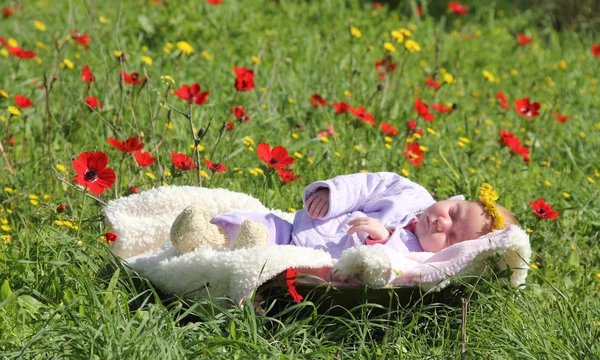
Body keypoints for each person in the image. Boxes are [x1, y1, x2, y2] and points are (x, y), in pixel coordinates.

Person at [169, 172, 518, 258]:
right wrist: (330, 195)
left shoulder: (417, 256)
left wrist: (385, 239)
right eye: (454, 212)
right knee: (260, 224)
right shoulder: (412, 195)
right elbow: (368, 185)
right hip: (300, 228)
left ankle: (225, 254)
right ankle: (208, 234)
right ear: (453, 199)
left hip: (312, 265)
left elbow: (389, 271)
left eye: (453, 236)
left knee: (269, 262)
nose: (442, 222)